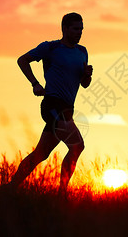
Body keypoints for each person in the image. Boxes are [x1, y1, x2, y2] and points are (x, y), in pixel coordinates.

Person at [6, 12, 93, 194]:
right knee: (77, 146)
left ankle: (10, 189)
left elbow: (84, 84)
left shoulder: (82, 52)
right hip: (52, 104)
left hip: (67, 108)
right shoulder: (50, 48)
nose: (79, 33)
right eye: (76, 29)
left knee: (41, 154)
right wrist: (35, 83)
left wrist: (87, 75)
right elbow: (22, 60)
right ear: (65, 28)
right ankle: (62, 194)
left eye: (81, 29)